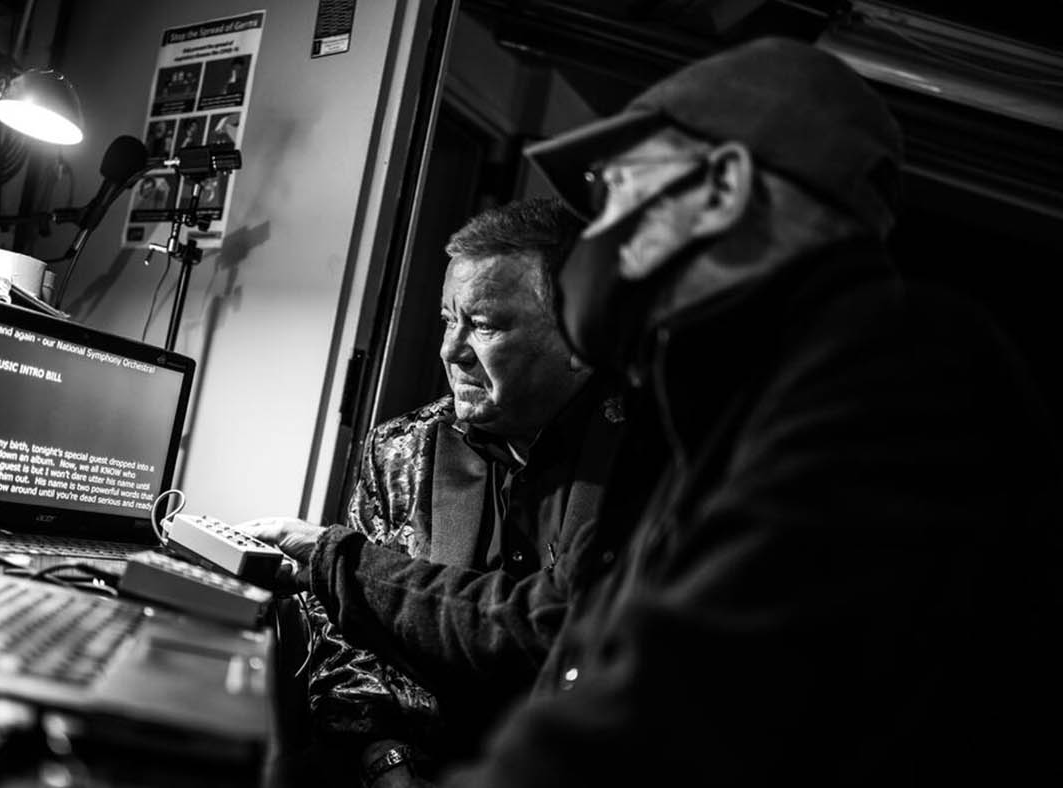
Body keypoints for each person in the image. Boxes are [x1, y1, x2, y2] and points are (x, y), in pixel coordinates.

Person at [245, 36, 1063, 785]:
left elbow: (676, 706)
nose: (600, 231)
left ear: (723, 187)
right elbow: (588, 641)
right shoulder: (726, 410)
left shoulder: (898, 369)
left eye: (616, 189)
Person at [286, 197, 619, 786]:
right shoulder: (400, 449)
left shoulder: (643, 457)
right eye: (447, 318)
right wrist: (384, 756)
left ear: (578, 339)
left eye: (484, 325)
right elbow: (348, 636)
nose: (450, 349)